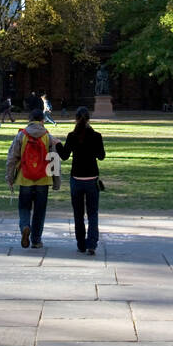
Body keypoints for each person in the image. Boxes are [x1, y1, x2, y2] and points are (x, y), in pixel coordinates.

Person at [5, 109, 58, 249]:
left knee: (24, 207)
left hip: (25, 177)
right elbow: (54, 159)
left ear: (29, 120)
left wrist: (9, 177)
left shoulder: (22, 135)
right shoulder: (48, 136)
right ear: (42, 120)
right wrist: (56, 181)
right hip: (43, 179)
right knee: (40, 210)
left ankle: (24, 227)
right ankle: (36, 240)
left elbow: (11, 157)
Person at [56, 106, 105, 256]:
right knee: (92, 213)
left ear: (76, 119)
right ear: (89, 119)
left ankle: (81, 244)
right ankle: (92, 244)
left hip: (76, 178)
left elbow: (64, 156)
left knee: (78, 214)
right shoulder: (96, 136)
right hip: (92, 179)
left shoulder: (72, 136)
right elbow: (101, 156)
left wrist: (57, 143)